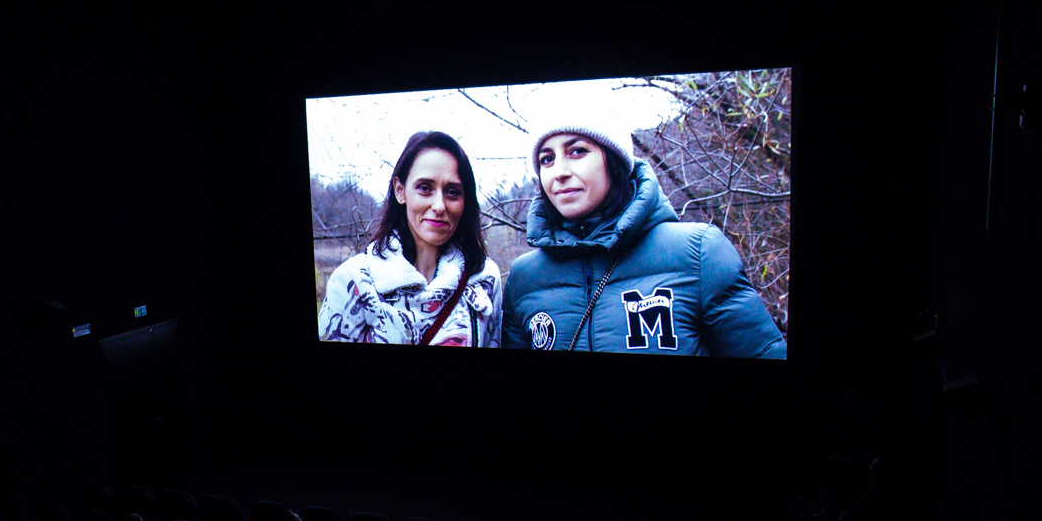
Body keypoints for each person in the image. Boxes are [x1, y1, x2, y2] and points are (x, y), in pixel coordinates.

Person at [501, 117, 786, 356]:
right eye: (547, 159)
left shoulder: (698, 252)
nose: (559, 172)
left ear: (614, 162)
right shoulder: (524, 278)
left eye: (577, 151)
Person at [319, 131, 503, 346]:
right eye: (425, 188)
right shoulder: (354, 281)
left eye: (452, 192)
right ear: (400, 190)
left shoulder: (484, 278)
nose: (439, 206)